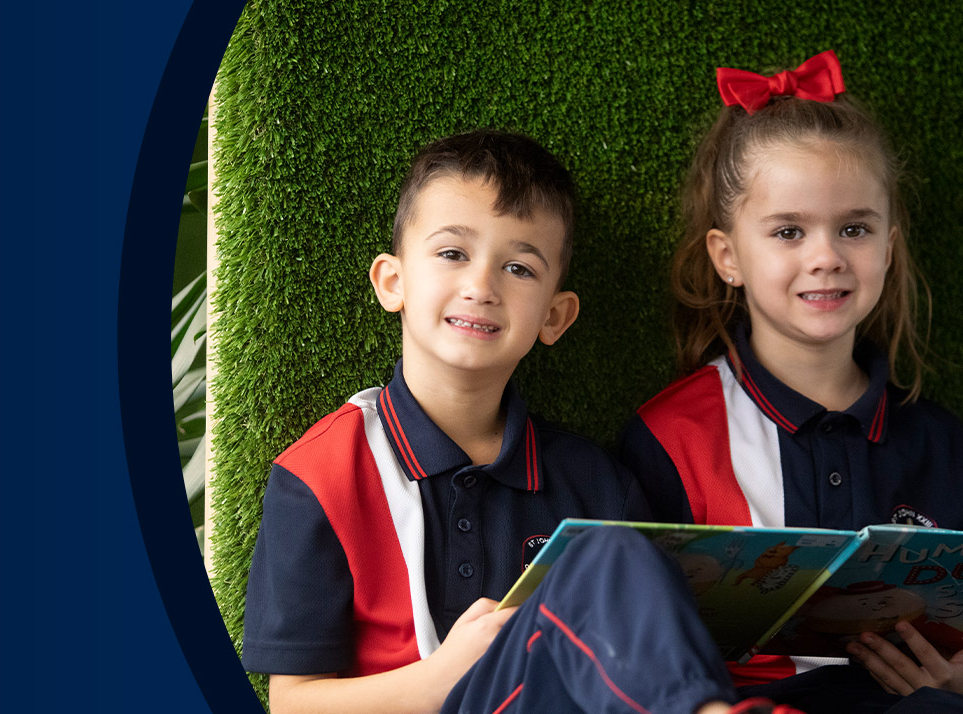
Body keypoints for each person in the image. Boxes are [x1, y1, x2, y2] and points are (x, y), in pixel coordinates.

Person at [617, 50, 963, 714]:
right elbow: (636, 647)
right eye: (789, 231)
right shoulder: (669, 439)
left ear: (888, 247)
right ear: (727, 256)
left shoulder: (939, 445)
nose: (826, 257)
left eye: (854, 229)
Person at [240, 128, 782, 714]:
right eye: (452, 254)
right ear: (392, 282)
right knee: (609, 554)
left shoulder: (598, 483)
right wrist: (440, 678)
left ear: (555, 315)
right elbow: (292, 703)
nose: (481, 287)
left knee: (614, 551)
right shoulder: (319, 475)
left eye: (519, 268)